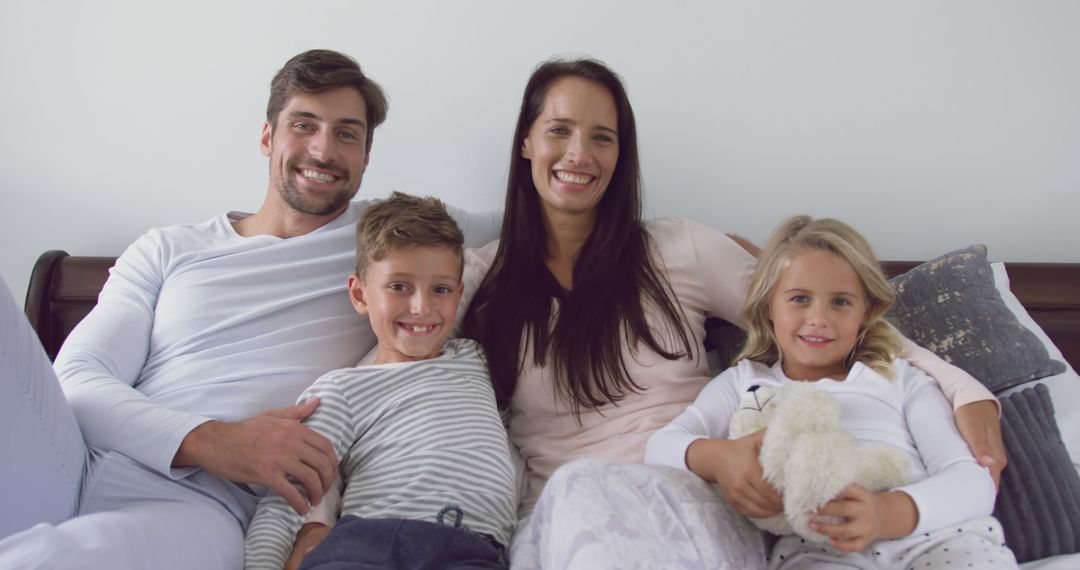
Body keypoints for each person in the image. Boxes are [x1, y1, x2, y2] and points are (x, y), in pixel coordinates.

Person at [459, 58, 1007, 569]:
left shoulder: (680, 248)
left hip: (692, 500)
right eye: (559, 130)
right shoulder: (476, 277)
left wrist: (963, 388)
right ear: (526, 142)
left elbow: (816, 319)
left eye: (602, 137)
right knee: (579, 489)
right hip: (557, 515)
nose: (579, 153)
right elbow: (389, 336)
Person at [0, 50, 500, 570]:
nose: (323, 149)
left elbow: (539, 215)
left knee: (62, 559)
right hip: (71, 456)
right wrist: (213, 439)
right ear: (268, 137)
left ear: (366, 158)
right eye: (304, 125)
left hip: (200, 505)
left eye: (347, 134)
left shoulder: (389, 241)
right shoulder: (168, 247)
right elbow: (77, 380)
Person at [645, 215, 1018, 569]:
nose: (818, 318)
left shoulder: (902, 380)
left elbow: (972, 482)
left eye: (840, 302)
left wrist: (886, 513)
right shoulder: (743, 382)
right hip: (820, 551)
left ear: (865, 313)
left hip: (935, 539)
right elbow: (659, 447)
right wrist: (719, 457)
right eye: (799, 299)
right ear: (768, 306)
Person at [243, 192, 517, 570]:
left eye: (440, 290)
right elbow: (287, 496)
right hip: (371, 540)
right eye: (399, 286)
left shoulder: (477, 360)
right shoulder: (341, 391)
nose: (421, 306)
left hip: (472, 547)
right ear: (360, 294)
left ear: (459, 294)